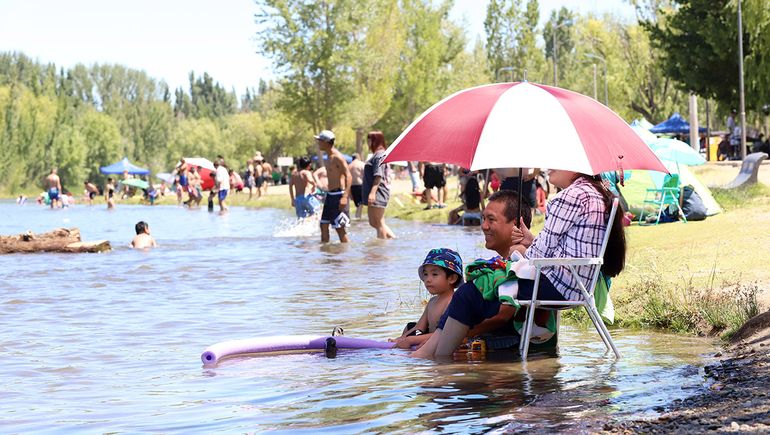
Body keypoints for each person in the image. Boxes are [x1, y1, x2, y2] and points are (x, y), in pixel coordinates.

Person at [411, 171, 627, 359]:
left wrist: (520, 251)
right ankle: (431, 352)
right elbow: (568, 248)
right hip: (576, 285)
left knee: (470, 292)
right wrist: (530, 242)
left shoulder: (571, 196)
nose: (548, 168)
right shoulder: (596, 192)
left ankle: (439, 364)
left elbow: (537, 255)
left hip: (556, 286)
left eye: (491, 220)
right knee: (476, 288)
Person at [389, 248, 463, 350]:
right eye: (425, 274)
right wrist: (400, 339)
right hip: (427, 335)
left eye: (434, 274)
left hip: (442, 339)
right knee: (410, 326)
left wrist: (411, 340)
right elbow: (419, 328)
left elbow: (446, 334)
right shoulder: (432, 302)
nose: (428, 279)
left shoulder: (452, 302)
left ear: (452, 278)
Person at [316, 130, 352, 243]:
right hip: (330, 195)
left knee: (340, 229)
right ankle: (326, 255)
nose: (318, 143)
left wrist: (345, 196)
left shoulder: (337, 157)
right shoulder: (328, 157)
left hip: (339, 195)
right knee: (323, 225)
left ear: (326, 142)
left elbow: (349, 176)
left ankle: (345, 256)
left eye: (320, 141)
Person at [362, 131, 396, 239]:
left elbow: (378, 175)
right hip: (374, 191)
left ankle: (381, 249)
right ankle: (393, 240)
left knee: (379, 222)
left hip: (378, 191)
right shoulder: (377, 154)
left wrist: (372, 193)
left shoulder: (379, 155)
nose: (368, 142)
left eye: (369, 139)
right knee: (374, 222)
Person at [348, 153, 365, 219]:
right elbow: (365, 175)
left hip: (352, 186)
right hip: (360, 185)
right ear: (358, 157)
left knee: (358, 204)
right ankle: (358, 217)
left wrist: (349, 192)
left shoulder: (349, 166)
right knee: (360, 204)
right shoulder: (361, 164)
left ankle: (358, 217)